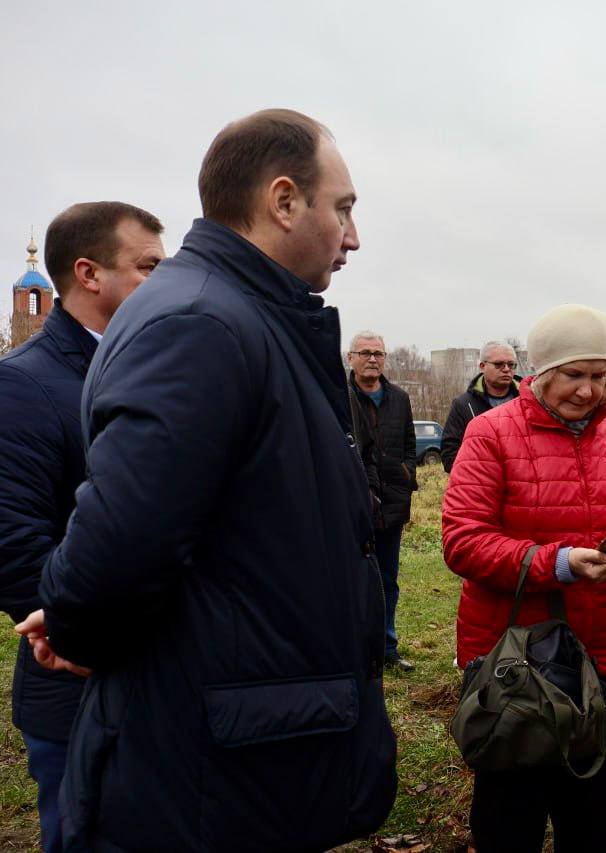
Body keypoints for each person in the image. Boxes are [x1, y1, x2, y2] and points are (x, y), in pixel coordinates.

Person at [16, 109, 397, 850]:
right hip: (214, 773)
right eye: (343, 209)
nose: (353, 236)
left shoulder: (233, 314)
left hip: (244, 752)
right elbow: (122, 540)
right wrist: (77, 616)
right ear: (283, 201)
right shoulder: (202, 325)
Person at [442, 304, 606, 852]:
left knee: (592, 816)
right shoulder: (490, 434)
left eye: (598, 375)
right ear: (539, 374)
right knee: (510, 815)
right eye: (574, 375)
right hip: (517, 659)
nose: (589, 390)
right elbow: (462, 540)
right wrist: (559, 563)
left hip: (605, 651)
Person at [0, 203, 164, 852]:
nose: (167, 282)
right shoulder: (23, 386)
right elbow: (15, 553)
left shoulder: (152, 371)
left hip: (158, 686)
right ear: (89, 274)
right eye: (149, 267)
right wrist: (89, 636)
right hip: (75, 691)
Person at [348, 330, 418, 672]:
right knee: (353, 578)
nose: (372, 358)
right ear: (351, 359)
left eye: (378, 353)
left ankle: (388, 647)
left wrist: (407, 476)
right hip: (352, 505)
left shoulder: (400, 398)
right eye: (365, 352)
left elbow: (409, 444)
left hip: (392, 503)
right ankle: (357, 648)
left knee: (388, 578)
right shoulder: (341, 397)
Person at [441, 341, 522, 471]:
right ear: (482, 366)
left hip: (523, 485)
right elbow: (450, 453)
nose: (506, 369)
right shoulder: (464, 405)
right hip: (481, 485)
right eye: (499, 364)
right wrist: (478, 477)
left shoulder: (528, 400)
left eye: (511, 364)